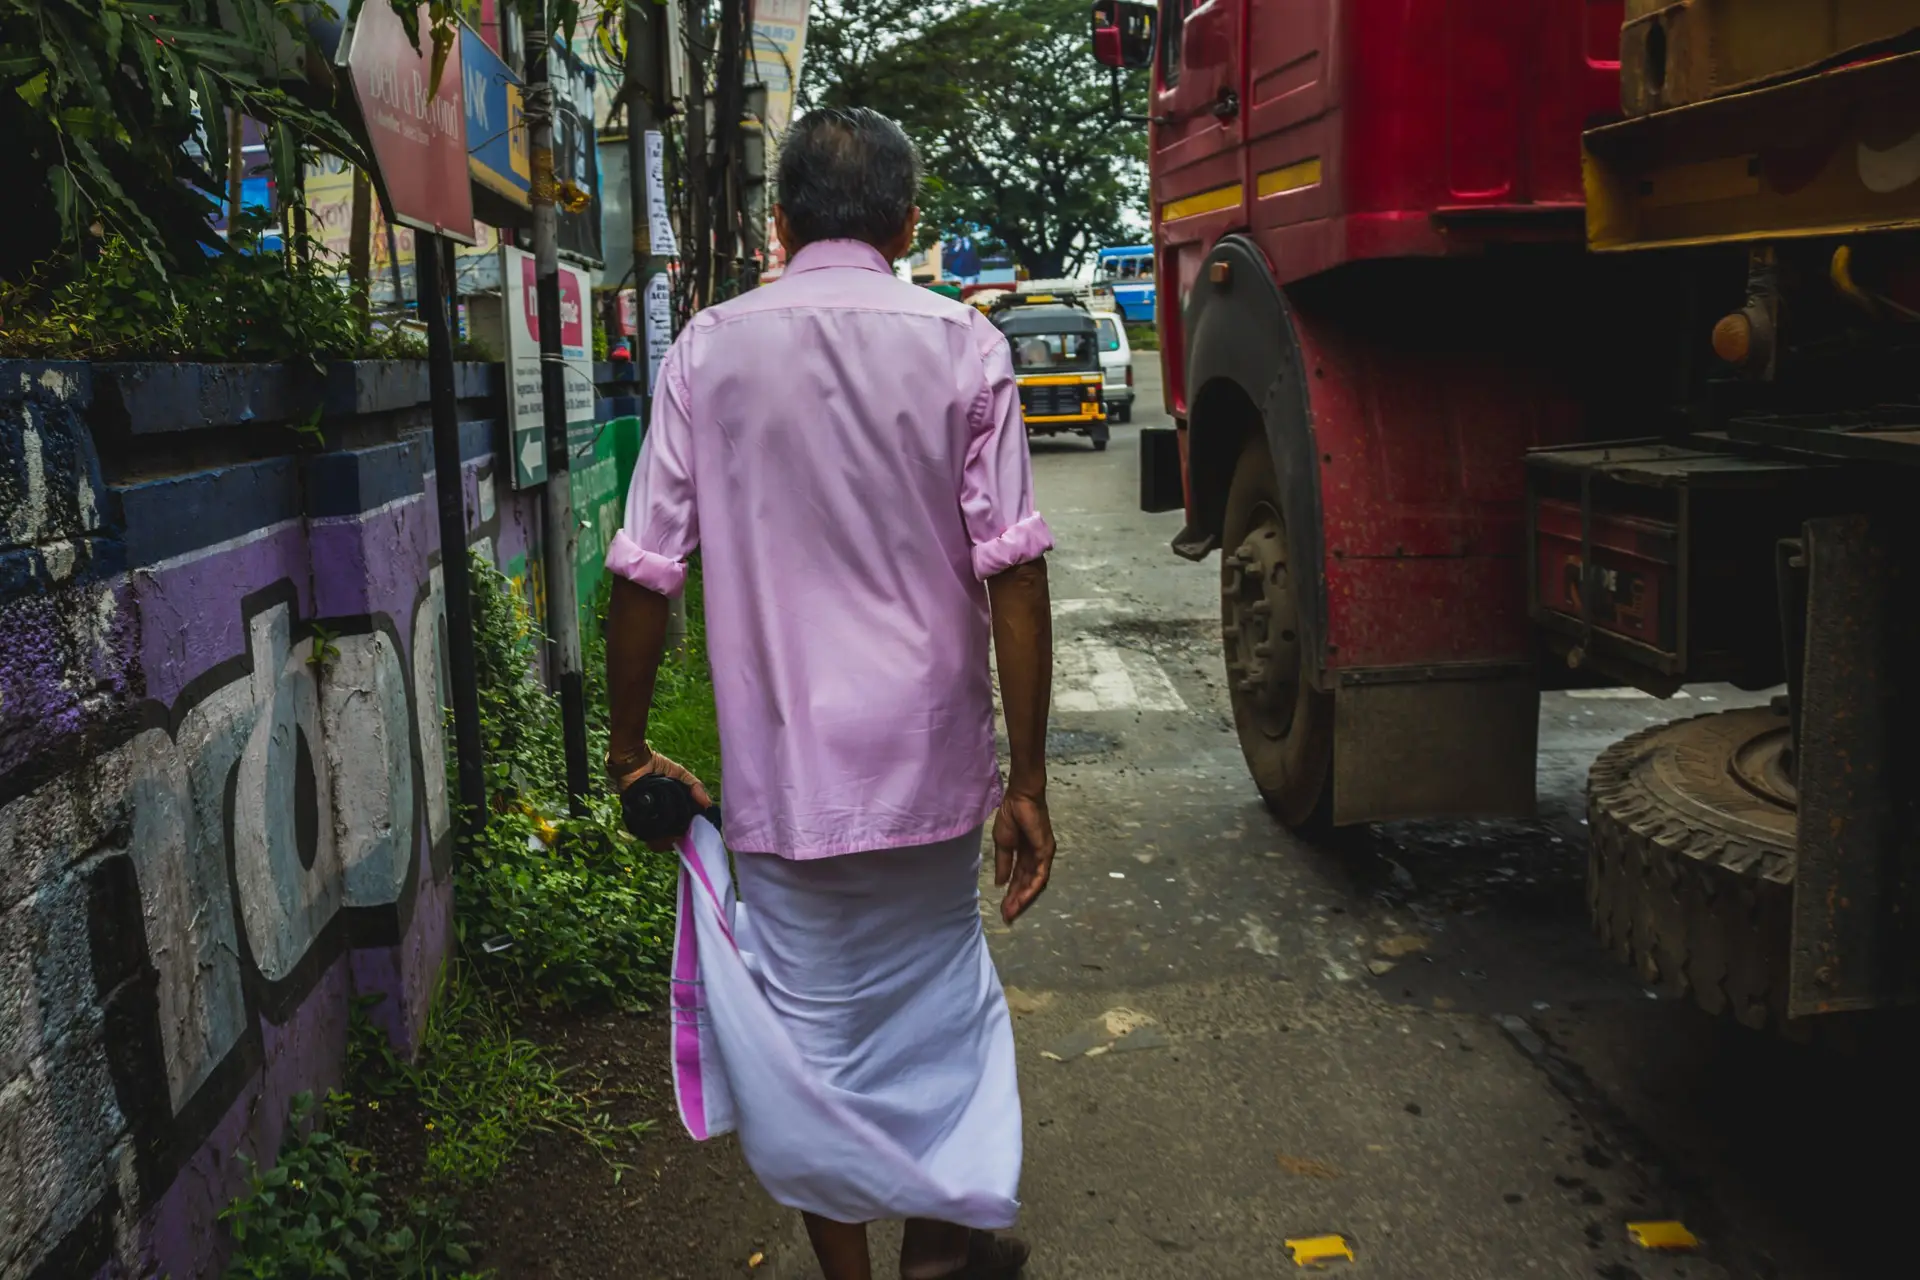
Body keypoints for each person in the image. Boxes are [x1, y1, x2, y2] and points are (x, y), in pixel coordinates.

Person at [602, 107, 1056, 1280]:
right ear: (908, 225)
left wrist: (628, 746)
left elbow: (647, 569)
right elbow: (1013, 565)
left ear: (779, 221)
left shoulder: (707, 349)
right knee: (942, 1026)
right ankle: (937, 1253)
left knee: (813, 1048)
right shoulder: (966, 346)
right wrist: (1032, 780)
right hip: (930, 769)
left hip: (781, 774)